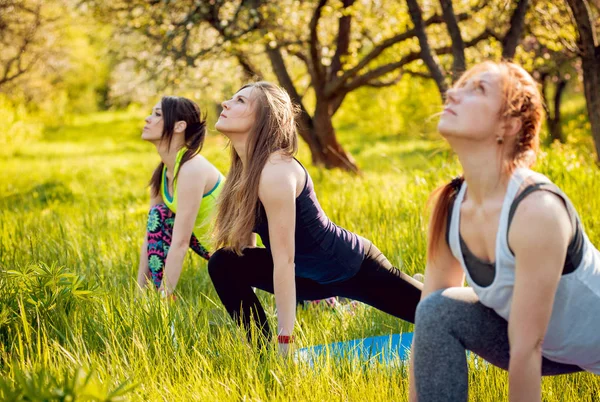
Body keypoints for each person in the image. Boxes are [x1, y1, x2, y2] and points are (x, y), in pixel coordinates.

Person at [409, 61, 600, 402]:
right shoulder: (452, 204)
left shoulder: (535, 210)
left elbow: (528, 348)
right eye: (459, 86)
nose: (452, 93)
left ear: (508, 125)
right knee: (435, 311)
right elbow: (427, 324)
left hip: (571, 340)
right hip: (550, 346)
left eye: (477, 89)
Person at [207, 81, 423, 355]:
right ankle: (262, 356)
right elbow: (244, 250)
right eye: (231, 98)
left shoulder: (275, 172)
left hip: (354, 268)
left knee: (439, 313)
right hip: (308, 279)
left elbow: (284, 260)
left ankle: (435, 289)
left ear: (264, 118)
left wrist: (286, 340)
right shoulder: (244, 171)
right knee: (224, 263)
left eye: (240, 101)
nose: (226, 103)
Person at [136, 96, 225, 298]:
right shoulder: (163, 172)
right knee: (158, 215)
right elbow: (151, 236)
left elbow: (181, 242)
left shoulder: (191, 168)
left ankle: (164, 299)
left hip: (245, 250)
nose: (147, 119)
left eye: (157, 114)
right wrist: (138, 294)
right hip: (212, 246)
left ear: (179, 126)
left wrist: (164, 298)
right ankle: (155, 296)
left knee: (161, 218)